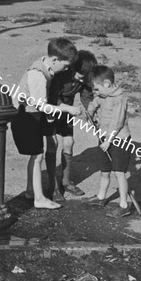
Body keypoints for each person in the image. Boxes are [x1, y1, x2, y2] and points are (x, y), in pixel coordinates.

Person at [10, 38, 81, 209]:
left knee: (36, 155)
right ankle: (39, 199)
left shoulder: (44, 65)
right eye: (65, 65)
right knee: (37, 156)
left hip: (30, 114)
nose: (66, 69)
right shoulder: (38, 75)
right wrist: (66, 109)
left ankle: (30, 191)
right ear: (55, 60)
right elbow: (40, 105)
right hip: (25, 115)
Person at [45, 50, 98, 202]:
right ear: (73, 68)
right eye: (80, 76)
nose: (82, 80)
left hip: (67, 112)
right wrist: (67, 108)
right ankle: (52, 185)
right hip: (51, 111)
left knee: (69, 142)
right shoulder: (61, 76)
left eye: (85, 77)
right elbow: (52, 98)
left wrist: (92, 113)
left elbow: (87, 96)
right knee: (52, 145)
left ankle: (66, 182)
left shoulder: (85, 78)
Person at [85, 65, 134, 218]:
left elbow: (117, 122)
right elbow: (93, 104)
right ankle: (101, 197)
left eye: (97, 88)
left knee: (119, 173)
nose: (95, 92)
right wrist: (90, 113)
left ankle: (124, 205)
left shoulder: (119, 99)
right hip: (104, 137)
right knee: (104, 171)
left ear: (107, 84)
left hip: (118, 140)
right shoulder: (102, 96)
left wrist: (109, 140)